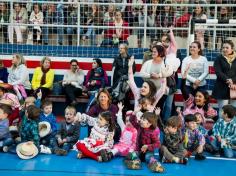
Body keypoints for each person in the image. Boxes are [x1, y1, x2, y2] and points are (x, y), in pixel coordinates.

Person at [212, 40, 236, 116]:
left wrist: (233, 80)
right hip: (221, 87)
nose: (224, 49)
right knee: (223, 109)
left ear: (232, 49)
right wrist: (228, 80)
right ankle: (221, 127)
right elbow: (218, 72)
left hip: (234, 87)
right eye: (223, 47)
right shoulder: (218, 58)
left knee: (234, 109)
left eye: (227, 48)